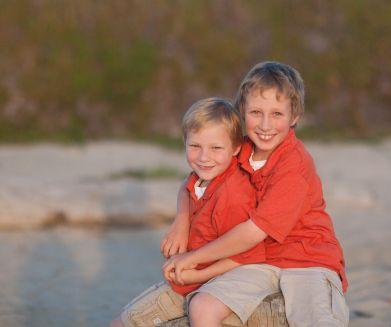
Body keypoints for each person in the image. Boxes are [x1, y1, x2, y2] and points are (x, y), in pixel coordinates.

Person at [163, 61, 349, 327]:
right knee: (202, 306)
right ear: (242, 111)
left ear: (294, 117)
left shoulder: (293, 166)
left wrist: (193, 258)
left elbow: (252, 232)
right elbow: (191, 182)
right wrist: (181, 222)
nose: (265, 125)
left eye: (277, 114)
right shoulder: (240, 148)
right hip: (259, 260)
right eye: (256, 112)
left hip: (306, 258)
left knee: (314, 320)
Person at [110, 97, 265, 327]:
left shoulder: (233, 195)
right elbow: (186, 186)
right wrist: (181, 222)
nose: (204, 157)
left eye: (216, 148)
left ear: (235, 149)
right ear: (185, 142)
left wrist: (197, 275)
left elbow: (248, 255)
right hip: (188, 281)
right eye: (195, 146)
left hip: (205, 285)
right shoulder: (203, 178)